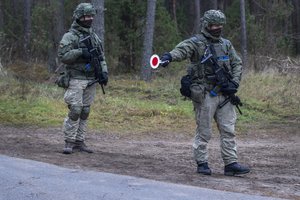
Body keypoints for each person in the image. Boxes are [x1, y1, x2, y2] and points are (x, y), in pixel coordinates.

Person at [159, 10, 250, 176]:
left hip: (225, 94)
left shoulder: (226, 44)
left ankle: (231, 163)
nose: (218, 28)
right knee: (204, 131)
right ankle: (202, 163)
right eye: (214, 25)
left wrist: (234, 83)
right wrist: (168, 57)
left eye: (220, 25)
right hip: (206, 94)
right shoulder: (196, 43)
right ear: (207, 25)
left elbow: (237, 63)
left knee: (228, 129)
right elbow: (182, 50)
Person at [58, 3, 108, 154]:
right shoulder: (70, 36)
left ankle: (80, 141)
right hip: (76, 78)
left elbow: (101, 57)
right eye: (86, 16)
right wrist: (80, 52)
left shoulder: (94, 37)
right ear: (79, 16)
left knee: (85, 110)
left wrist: (104, 72)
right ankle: (69, 141)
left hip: (91, 79)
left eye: (91, 16)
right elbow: (63, 57)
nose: (89, 19)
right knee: (75, 109)